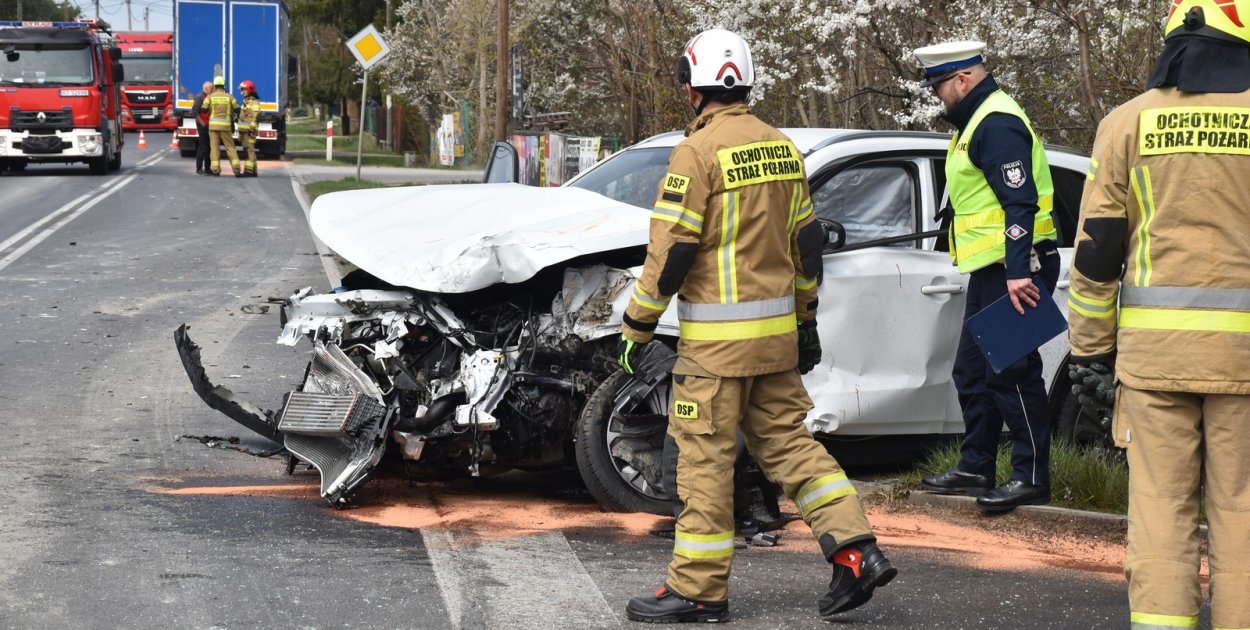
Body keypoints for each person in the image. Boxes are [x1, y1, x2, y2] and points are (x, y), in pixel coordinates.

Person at [618, 28, 895, 624]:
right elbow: (807, 246)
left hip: (715, 355)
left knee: (704, 467)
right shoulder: (780, 147)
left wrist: (636, 328)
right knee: (793, 447)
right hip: (775, 344)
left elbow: (672, 253)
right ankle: (855, 551)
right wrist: (805, 319)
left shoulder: (696, 154)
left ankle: (698, 590)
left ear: (693, 87)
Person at [1068, 1, 1250, 627]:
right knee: (1243, 514)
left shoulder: (1125, 124)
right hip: (1246, 365)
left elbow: (1097, 251)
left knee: (1159, 513)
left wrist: (1089, 349)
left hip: (1152, 364)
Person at [913, 41, 1061, 512]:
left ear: (962, 80)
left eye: (939, 85)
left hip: (1018, 266)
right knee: (972, 371)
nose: (937, 95)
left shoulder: (995, 122)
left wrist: (1019, 270)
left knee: (1013, 372)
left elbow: (1020, 201)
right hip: (994, 267)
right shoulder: (976, 121)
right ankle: (976, 464)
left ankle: (1031, 475)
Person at [205, 75, 241, 177]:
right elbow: (238, 109)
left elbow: (203, 109)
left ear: (215, 86)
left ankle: (216, 170)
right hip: (226, 127)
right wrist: (234, 119)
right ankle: (236, 169)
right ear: (224, 85)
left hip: (213, 127)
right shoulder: (230, 97)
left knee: (214, 147)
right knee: (230, 147)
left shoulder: (210, 97)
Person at [236, 80, 261, 177]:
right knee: (248, 150)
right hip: (244, 131)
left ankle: (249, 171)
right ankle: (253, 171)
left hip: (249, 131)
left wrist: (252, 130)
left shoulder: (254, 102)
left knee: (249, 150)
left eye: (243, 89)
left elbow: (255, 117)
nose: (242, 91)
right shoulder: (245, 101)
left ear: (249, 89)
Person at [190, 80, 213, 175]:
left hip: (208, 124)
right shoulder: (200, 97)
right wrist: (202, 124)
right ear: (206, 88)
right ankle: (199, 169)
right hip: (203, 126)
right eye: (212, 88)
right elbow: (195, 112)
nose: (213, 89)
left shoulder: (208, 96)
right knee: (203, 147)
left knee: (208, 147)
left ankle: (207, 169)